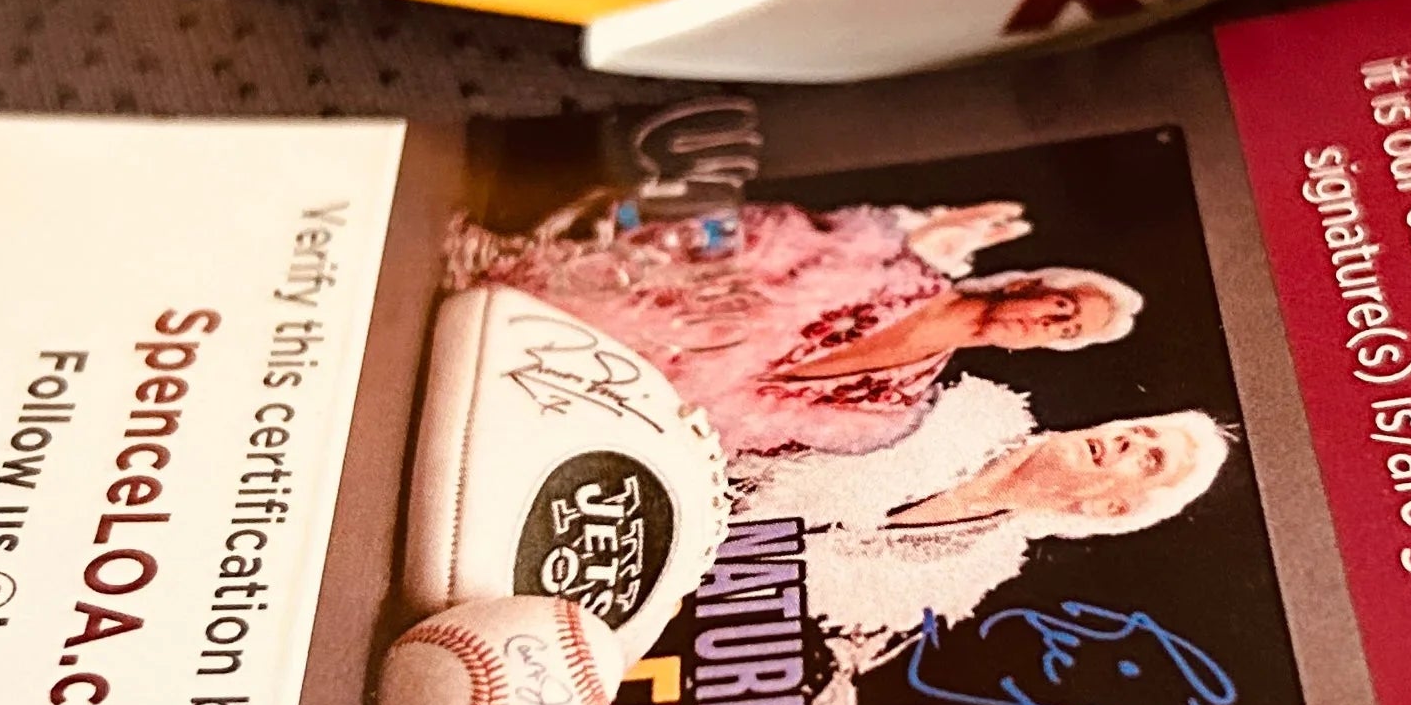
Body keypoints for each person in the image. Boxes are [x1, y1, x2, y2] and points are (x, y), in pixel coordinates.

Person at [445, 196, 1142, 456]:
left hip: (583, 384)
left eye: (1065, 331)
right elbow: (743, 242)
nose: (1048, 322)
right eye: (1060, 306)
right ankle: (514, 264)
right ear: (1025, 284)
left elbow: (741, 431)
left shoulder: (896, 405)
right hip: (602, 300)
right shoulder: (887, 266)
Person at [727, 375, 1232, 702]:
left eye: (1149, 460)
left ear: (1111, 508)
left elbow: (840, 648)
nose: (1128, 439)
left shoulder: (970, 574)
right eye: (1142, 429)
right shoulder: (963, 408)